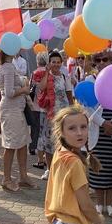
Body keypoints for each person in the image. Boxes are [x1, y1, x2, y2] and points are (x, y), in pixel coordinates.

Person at [45, 105, 105, 224]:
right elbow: (85, 204)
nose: (79, 133)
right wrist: (98, 220)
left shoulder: (61, 153)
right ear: (61, 132)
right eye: (72, 128)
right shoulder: (74, 162)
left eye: (83, 127)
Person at [87, 49, 112, 218]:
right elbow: (86, 105)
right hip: (98, 128)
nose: (103, 62)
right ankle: (99, 204)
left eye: (107, 59)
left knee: (111, 168)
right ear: (95, 62)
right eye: (99, 60)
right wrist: (102, 123)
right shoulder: (89, 80)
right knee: (97, 167)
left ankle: (110, 204)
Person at [0, 50, 35, 192]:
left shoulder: (9, 65)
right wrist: (24, 89)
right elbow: (8, 92)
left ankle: (23, 176)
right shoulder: (7, 67)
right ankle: (6, 179)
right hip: (11, 110)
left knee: (22, 143)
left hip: (16, 110)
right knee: (11, 144)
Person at [36, 51, 73, 180]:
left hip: (62, 115)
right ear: (49, 63)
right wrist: (47, 73)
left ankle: (61, 168)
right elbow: (41, 87)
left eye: (58, 62)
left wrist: (72, 112)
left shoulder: (64, 77)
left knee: (62, 142)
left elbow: (69, 95)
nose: (56, 65)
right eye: (53, 62)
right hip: (47, 115)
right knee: (48, 143)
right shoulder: (45, 75)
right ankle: (49, 169)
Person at [31, 52, 49, 167]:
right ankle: (43, 155)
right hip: (46, 105)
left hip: (36, 104)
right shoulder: (48, 72)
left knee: (35, 129)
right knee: (43, 131)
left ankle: (34, 149)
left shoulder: (35, 72)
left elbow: (32, 86)